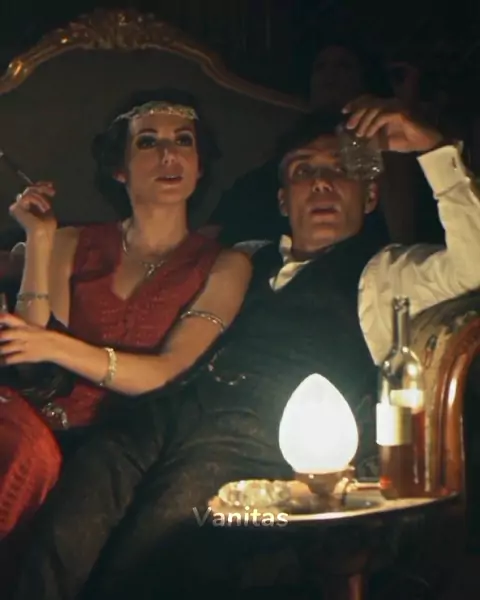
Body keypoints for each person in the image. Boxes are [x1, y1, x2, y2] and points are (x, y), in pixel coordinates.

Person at [12, 97, 480, 599]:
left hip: (255, 433)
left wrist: (432, 148)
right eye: (303, 171)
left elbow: (473, 263)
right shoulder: (245, 257)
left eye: (339, 171)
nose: (321, 184)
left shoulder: (388, 273)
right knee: (69, 523)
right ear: (282, 200)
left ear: (369, 197)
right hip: (171, 408)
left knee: (157, 546)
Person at [0, 88, 252, 543]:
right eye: (148, 142)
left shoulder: (225, 264)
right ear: (119, 168)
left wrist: (56, 345)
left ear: (199, 166)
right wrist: (39, 239)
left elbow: (168, 372)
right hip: (39, 429)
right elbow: (26, 358)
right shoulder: (71, 242)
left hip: (129, 446)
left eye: (183, 141)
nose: (169, 155)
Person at [206, 40, 393, 246]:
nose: (330, 74)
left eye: (344, 66)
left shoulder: (384, 145)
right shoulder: (286, 151)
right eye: (320, 67)